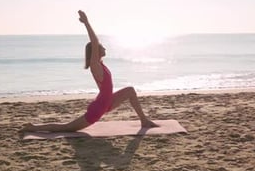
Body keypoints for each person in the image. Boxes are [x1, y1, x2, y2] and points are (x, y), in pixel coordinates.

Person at [20, 10, 158, 133]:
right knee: (67, 128)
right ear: (96, 51)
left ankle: (144, 120)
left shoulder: (101, 65)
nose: (105, 49)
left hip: (107, 102)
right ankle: (33, 127)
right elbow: (94, 40)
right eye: (102, 47)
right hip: (98, 109)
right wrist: (86, 23)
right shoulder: (95, 65)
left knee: (130, 91)